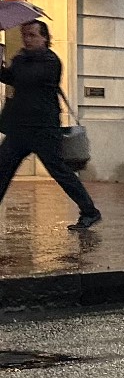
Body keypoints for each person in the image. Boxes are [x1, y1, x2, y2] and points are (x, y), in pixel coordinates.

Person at [0, 19, 101, 230]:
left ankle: (90, 212)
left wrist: (12, 63)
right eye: (24, 35)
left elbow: (28, 78)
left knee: (60, 171)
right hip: (20, 128)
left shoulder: (50, 61)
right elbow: (11, 78)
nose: (27, 39)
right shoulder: (21, 59)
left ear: (44, 38)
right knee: (2, 169)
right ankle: (90, 212)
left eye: (32, 35)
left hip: (44, 129)